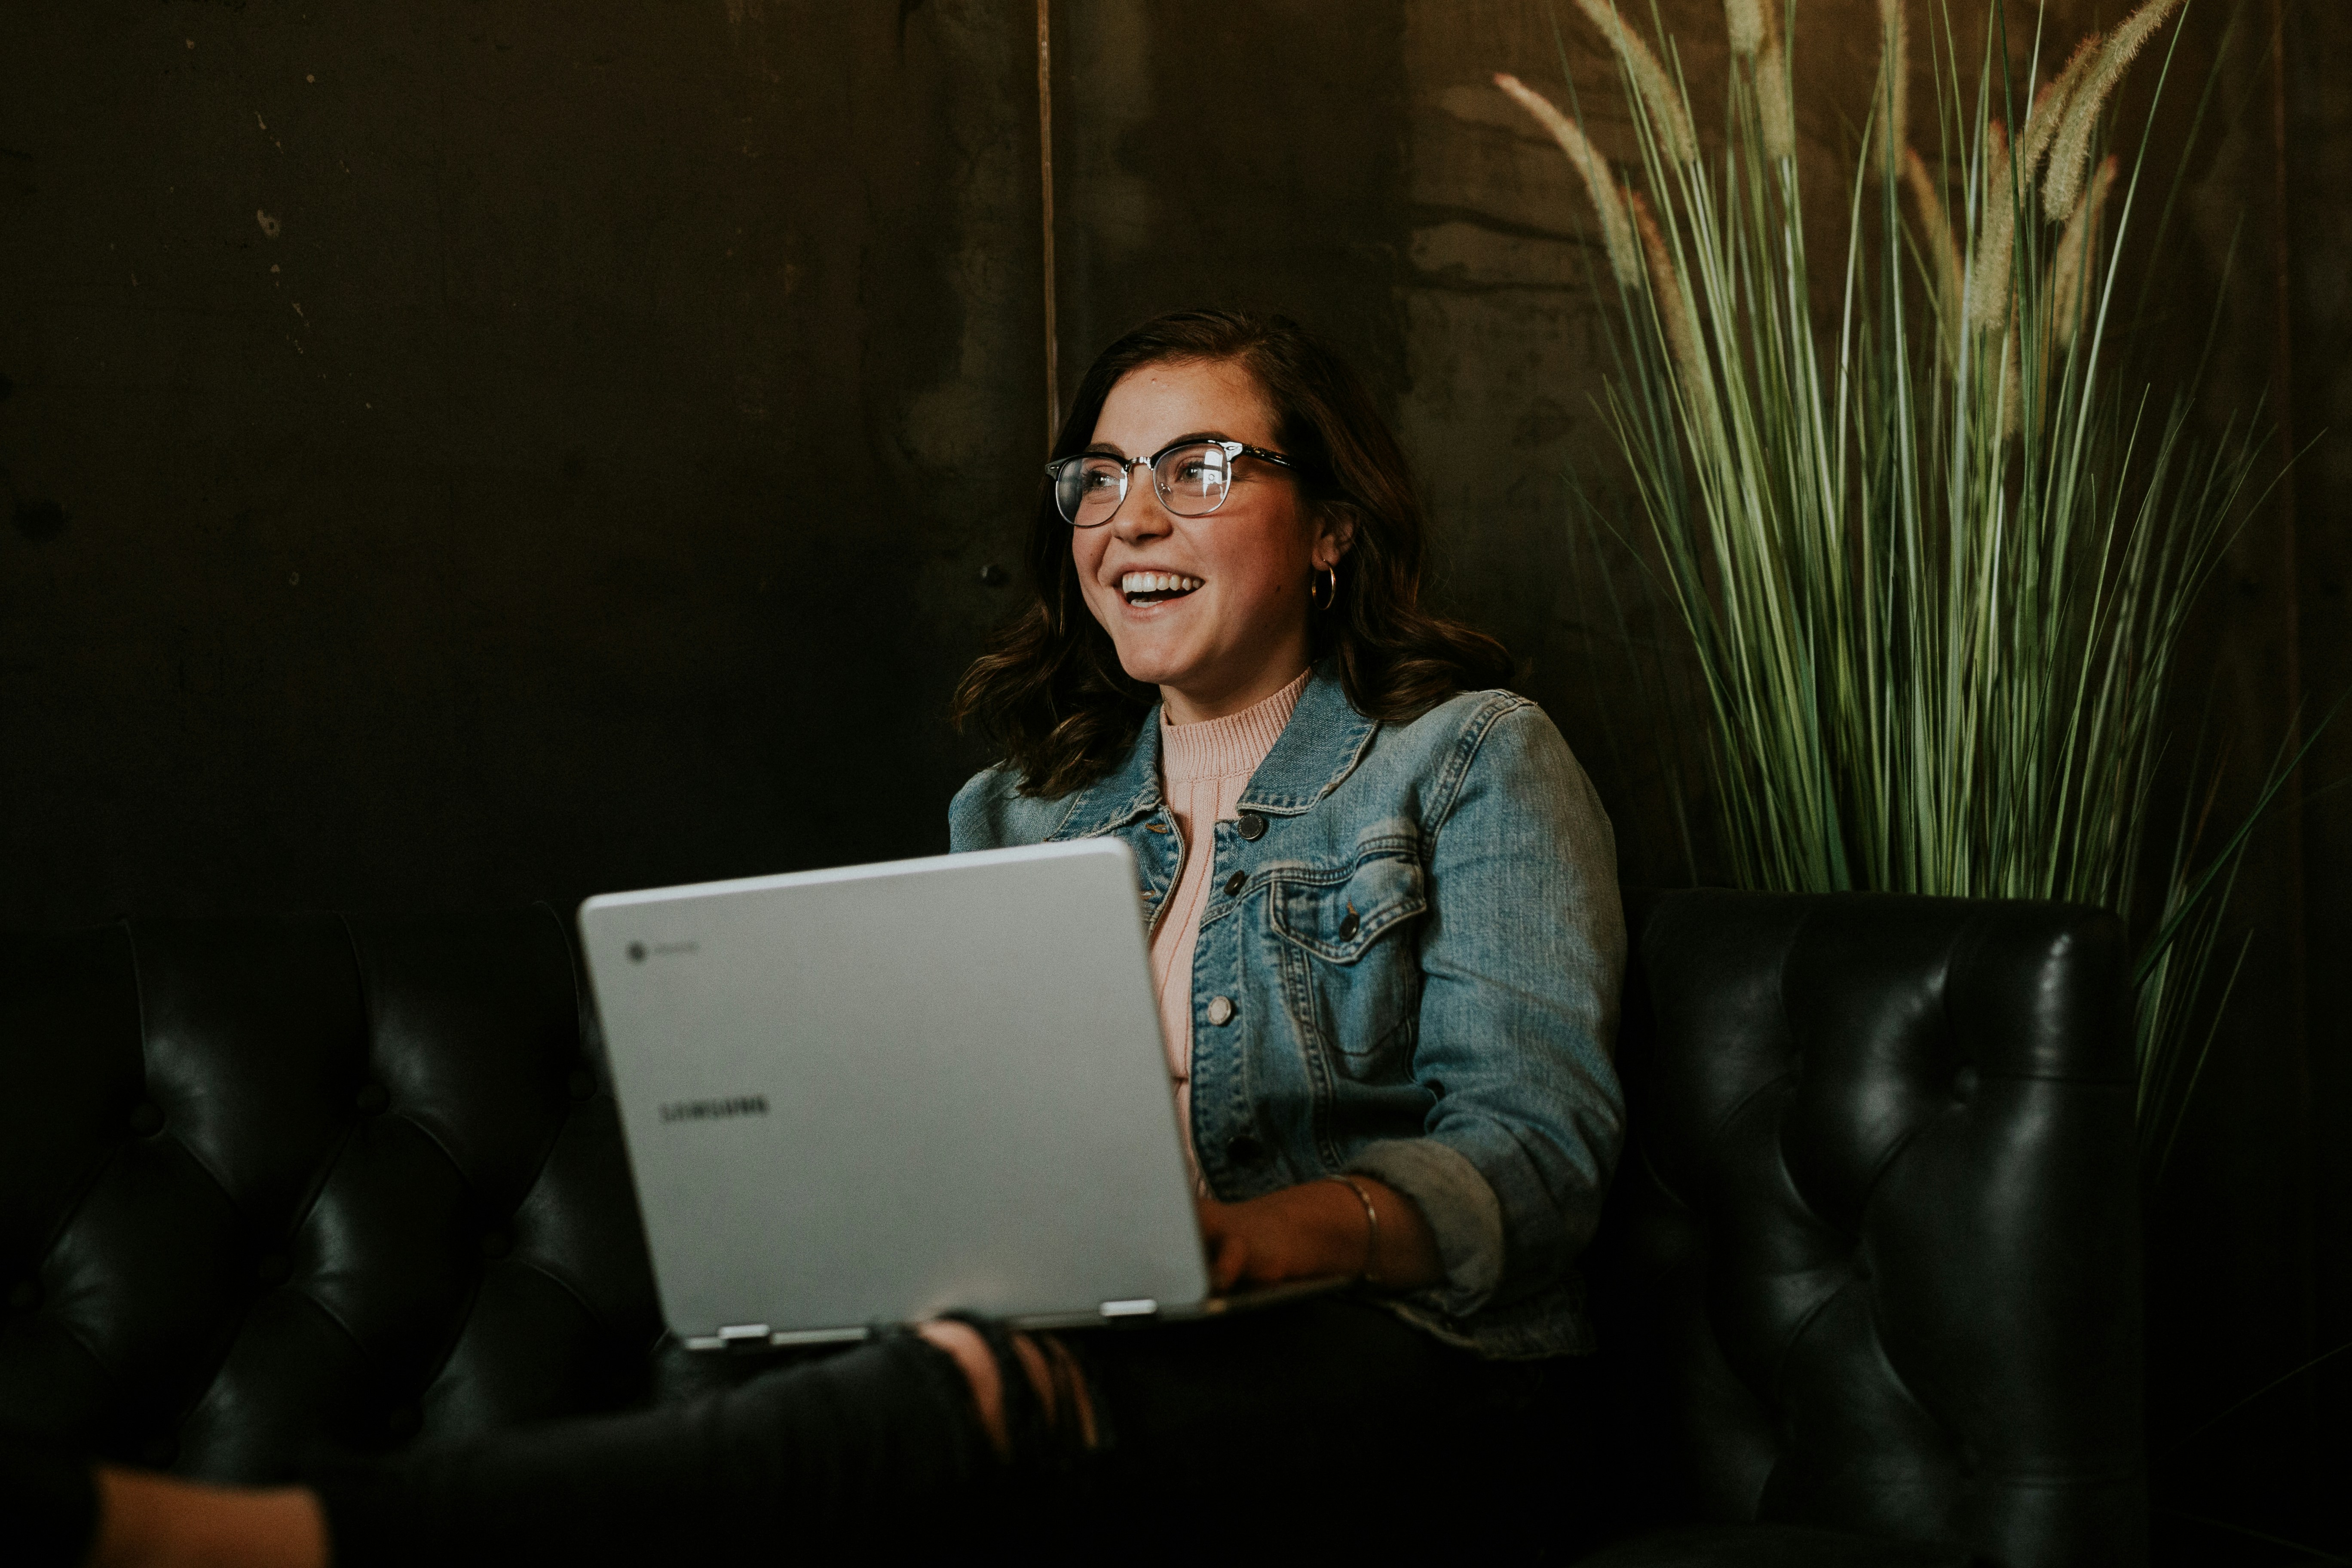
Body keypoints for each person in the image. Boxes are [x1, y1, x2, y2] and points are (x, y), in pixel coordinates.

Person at [14, 308, 1625, 1565]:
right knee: (781, 1393)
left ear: (1330, 528)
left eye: (1203, 467)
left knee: (949, 1424)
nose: (1132, 515)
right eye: (1099, 479)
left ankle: (266, 1543)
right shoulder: (1017, 811)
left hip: (1420, 1378)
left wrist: (1246, 1245)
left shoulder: (1471, 757)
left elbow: (1536, 1165)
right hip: (1105, 1359)